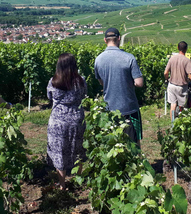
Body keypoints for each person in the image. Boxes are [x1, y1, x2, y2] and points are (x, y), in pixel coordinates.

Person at [94, 27, 144, 146]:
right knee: (133, 143)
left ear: (105, 40)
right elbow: (139, 83)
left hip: (109, 108)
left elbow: (102, 82)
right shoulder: (129, 58)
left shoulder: (98, 60)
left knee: (113, 143)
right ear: (119, 39)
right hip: (129, 108)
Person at [47, 53, 87, 191]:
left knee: (59, 151)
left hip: (58, 121)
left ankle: (62, 184)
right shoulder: (81, 81)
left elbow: (49, 96)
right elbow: (84, 95)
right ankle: (78, 179)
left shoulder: (53, 81)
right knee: (78, 148)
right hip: (76, 119)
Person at [164, 41, 191, 120]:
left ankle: (173, 123)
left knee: (173, 105)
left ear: (178, 48)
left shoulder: (172, 59)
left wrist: (167, 79)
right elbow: (190, 76)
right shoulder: (187, 61)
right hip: (182, 86)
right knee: (182, 106)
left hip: (171, 85)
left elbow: (165, 72)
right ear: (186, 49)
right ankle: (181, 123)